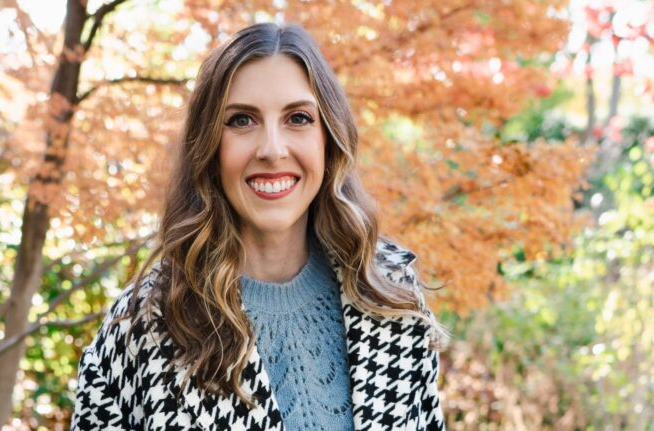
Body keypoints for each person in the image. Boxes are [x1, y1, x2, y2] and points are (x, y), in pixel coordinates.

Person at [71, 22, 447, 431]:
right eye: (241, 121)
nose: (271, 149)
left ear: (329, 138)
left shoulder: (389, 294)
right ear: (210, 145)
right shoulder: (145, 325)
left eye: (298, 118)